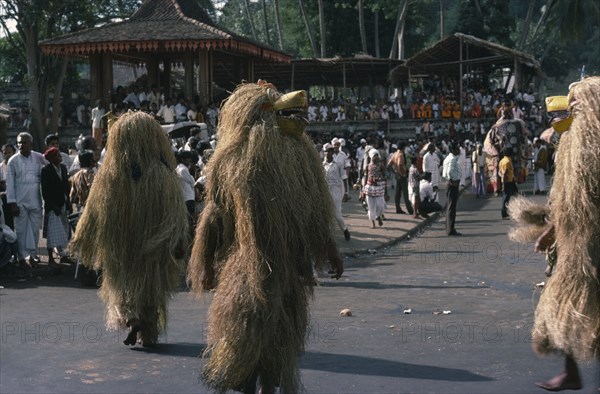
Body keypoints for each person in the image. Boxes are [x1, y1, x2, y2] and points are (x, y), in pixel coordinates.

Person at [187, 82, 342, 394]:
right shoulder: (230, 162)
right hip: (245, 269)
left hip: (287, 272)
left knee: (279, 344)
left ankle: (268, 386)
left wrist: (327, 248)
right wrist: (204, 264)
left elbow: (313, 214)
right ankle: (248, 382)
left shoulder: (301, 157)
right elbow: (215, 218)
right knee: (245, 338)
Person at [70, 111, 188, 348]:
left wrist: (84, 241)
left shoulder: (109, 176)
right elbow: (176, 214)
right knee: (151, 292)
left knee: (121, 287)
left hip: (121, 247)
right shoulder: (164, 174)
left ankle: (131, 319)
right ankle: (147, 331)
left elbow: (92, 213)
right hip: (152, 246)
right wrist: (177, 240)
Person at [6, 132, 45, 272]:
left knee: (34, 231)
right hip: (19, 202)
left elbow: (50, 163)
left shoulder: (38, 157)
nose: (21, 145)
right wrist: (12, 203)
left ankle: (33, 256)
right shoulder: (13, 161)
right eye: (19, 143)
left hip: (35, 201)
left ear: (31, 144)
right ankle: (22, 258)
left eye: (24, 142)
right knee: (21, 231)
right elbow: (9, 184)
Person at [40, 147, 70, 267]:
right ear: (52, 158)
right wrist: (53, 206)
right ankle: (51, 257)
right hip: (52, 206)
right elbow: (45, 191)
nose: (60, 157)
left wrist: (67, 203)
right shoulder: (46, 170)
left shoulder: (62, 168)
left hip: (62, 203)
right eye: (57, 155)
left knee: (63, 231)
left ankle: (63, 255)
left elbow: (66, 186)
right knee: (52, 233)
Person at [323, 143, 351, 241]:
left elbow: (344, 178)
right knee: (327, 214)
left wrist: (346, 193)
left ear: (331, 152)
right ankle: (329, 235)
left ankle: (345, 229)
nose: (326, 154)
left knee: (337, 215)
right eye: (325, 152)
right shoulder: (322, 165)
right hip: (326, 191)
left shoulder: (337, 165)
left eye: (328, 152)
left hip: (336, 191)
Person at [387, 141, 413, 215]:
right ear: (403, 147)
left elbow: (389, 165)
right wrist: (402, 173)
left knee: (397, 193)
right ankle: (410, 210)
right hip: (402, 175)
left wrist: (394, 172)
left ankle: (398, 208)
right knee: (405, 193)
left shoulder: (394, 154)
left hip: (397, 175)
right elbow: (400, 164)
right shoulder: (400, 154)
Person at [364, 149, 387, 228]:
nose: (376, 157)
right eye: (374, 156)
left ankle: (378, 216)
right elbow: (366, 177)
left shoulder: (381, 165)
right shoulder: (368, 166)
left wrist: (379, 179)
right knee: (371, 206)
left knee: (380, 206)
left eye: (377, 155)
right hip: (369, 187)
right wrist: (363, 189)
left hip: (379, 187)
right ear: (371, 157)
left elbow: (386, 176)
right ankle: (373, 222)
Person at [442, 142, 461, 235]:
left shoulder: (447, 158)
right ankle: (450, 229)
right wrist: (453, 180)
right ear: (453, 150)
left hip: (449, 184)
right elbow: (449, 171)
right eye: (457, 148)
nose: (459, 150)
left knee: (450, 206)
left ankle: (449, 228)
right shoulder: (453, 159)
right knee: (451, 207)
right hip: (452, 184)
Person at [0, 144, 16, 230]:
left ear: (14, 153)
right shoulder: (0, 167)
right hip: (5, 199)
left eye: (9, 152)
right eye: (5, 153)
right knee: (8, 222)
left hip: (19, 197)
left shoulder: (20, 165)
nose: (7, 155)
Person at [498, 149, 517, 219]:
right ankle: (504, 213)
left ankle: (505, 212)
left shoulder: (502, 161)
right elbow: (504, 173)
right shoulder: (508, 161)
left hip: (506, 180)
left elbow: (500, 172)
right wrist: (503, 183)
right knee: (506, 198)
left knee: (505, 197)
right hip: (507, 181)